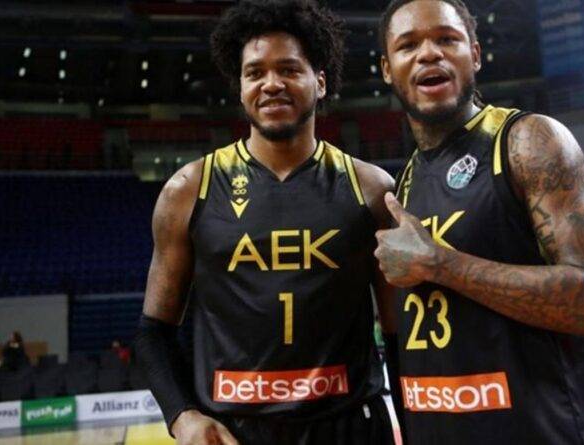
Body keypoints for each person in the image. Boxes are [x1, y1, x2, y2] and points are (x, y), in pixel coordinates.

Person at [134, 1, 398, 444]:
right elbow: (152, 334)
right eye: (255, 73)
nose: (271, 84)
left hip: (352, 429)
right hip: (235, 433)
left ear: (320, 81)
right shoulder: (188, 190)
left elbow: (398, 333)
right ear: (240, 88)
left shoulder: (372, 189)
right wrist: (183, 416)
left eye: (289, 69)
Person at [373, 0, 584, 443]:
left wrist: (440, 263)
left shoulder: (529, 142)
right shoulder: (407, 179)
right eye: (408, 45)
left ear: (474, 54)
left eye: (447, 39)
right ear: (386, 69)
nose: (429, 53)